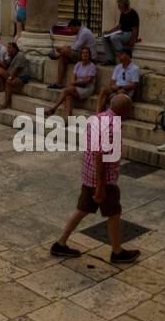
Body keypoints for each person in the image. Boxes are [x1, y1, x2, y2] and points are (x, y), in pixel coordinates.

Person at [50, 92, 140, 266]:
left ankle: (60, 243)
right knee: (113, 213)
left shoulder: (99, 117)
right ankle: (117, 252)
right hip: (103, 179)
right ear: (125, 110)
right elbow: (100, 153)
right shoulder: (113, 125)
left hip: (89, 173)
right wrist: (100, 185)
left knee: (82, 209)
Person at [48, 46, 98, 116]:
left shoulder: (92, 66)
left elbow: (88, 81)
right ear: (81, 55)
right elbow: (73, 79)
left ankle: (54, 108)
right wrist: (74, 83)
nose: (85, 54)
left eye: (87, 53)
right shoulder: (78, 65)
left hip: (87, 88)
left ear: (89, 55)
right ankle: (68, 119)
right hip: (78, 87)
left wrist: (75, 83)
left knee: (66, 91)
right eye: (83, 53)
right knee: (68, 97)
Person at [50, 18, 98, 87]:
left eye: (71, 29)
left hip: (89, 57)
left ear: (76, 26)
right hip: (80, 54)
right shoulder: (79, 32)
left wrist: (63, 50)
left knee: (63, 52)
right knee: (62, 57)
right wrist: (64, 49)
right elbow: (73, 46)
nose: (71, 31)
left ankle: (56, 56)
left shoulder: (85, 33)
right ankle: (58, 83)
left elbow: (74, 48)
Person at [99, 0, 140, 64]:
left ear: (124, 6)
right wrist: (109, 32)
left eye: (119, 6)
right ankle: (110, 59)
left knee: (114, 38)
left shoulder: (133, 14)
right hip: (122, 32)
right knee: (105, 37)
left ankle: (123, 55)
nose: (118, 7)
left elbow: (135, 29)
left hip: (129, 33)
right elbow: (119, 26)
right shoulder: (123, 13)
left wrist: (133, 40)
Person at [0, 41, 31, 110]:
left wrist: (10, 78)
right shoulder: (11, 56)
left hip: (22, 76)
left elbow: (17, 70)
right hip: (13, 74)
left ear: (15, 48)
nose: (8, 50)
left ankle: (6, 102)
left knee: (8, 82)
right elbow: (7, 65)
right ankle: (2, 87)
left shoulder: (20, 55)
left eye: (10, 48)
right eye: (7, 48)